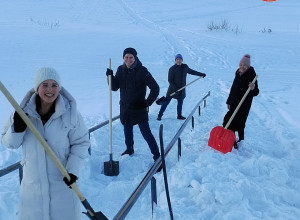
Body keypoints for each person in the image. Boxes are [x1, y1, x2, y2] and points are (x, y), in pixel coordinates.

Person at [1, 67, 90, 220]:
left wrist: (73, 170)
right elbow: (9, 143)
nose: (50, 90)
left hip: (63, 189)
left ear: (59, 87)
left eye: (54, 85)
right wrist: (17, 128)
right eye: (45, 85)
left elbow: (81, 143)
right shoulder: (22, 112)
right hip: (32, 193)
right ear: (37, 88)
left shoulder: (70, 113)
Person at [106, 47, 161, 162]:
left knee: (146, 133)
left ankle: (157, 156)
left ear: (135, 58)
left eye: (131, 57)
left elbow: (155, 88)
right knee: (127, 129)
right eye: (126, 57)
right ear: (123, 58)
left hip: (139, 108)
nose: (128, 59)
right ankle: (129, 149)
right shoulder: (121, 69)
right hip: (125, 108)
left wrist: (146, 103)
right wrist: (109, 77)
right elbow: (114, 87)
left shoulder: (142, 71)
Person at [223, 54, 259, 149]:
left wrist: (253, 88)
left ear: (248, 66)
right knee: (228, 120)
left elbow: (256, 92)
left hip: (244, 105)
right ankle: (233, 139)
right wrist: (229, 101)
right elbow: (233, 88)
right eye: (240, 65)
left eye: (244, 65)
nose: (242, 67)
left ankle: (239, 140)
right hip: (234, 102)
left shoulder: (252, 75)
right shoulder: (237, 73)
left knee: (239, 123)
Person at [157, 54, 206, 121]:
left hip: (182, 89)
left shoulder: (185, 67)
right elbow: (170, 80)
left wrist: (201, 74)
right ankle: (159, 115)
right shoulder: (172, 69)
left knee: (180, 103)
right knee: (166, 103)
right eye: (177, 59)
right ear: (175, 60)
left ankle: (179, 115)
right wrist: (175, 89)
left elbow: (192, 72)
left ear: (182, 60)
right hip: (172, 90)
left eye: (180, 59)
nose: (178, 61)